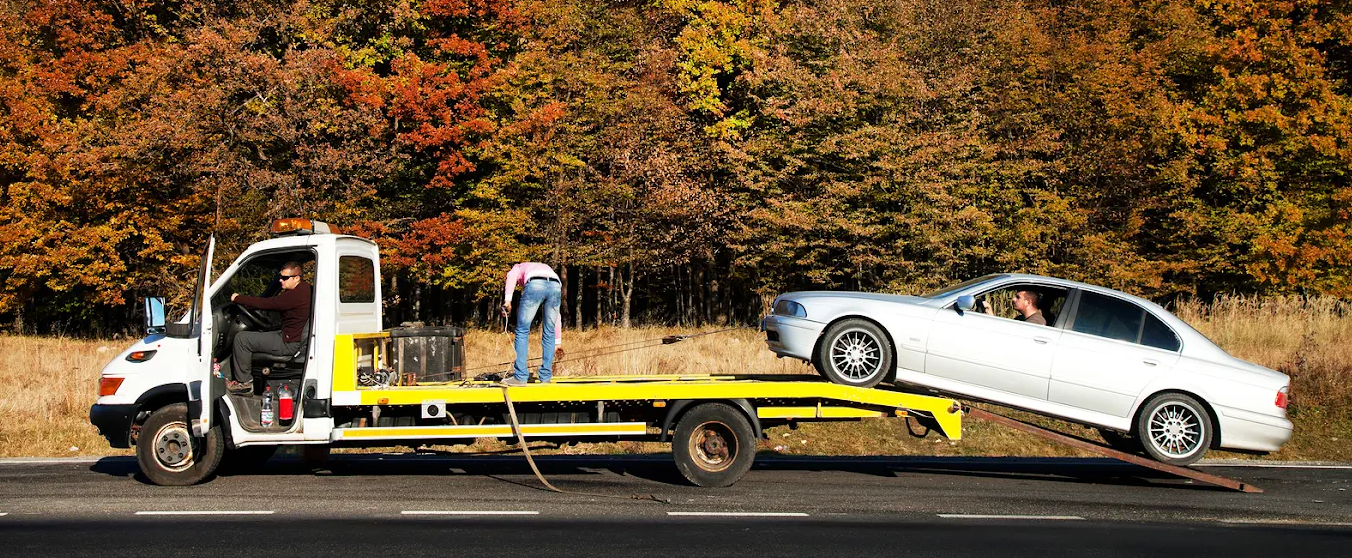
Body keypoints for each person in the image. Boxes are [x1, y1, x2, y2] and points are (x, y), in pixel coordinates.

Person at [227, 262, 312, 394]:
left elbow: (266, 303)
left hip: (288, 343)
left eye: (285, 278)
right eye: (280, 277)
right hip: (290, 337)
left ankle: (244, 384)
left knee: (241, 339)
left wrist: (238, 298)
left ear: (297, 278)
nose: (280, 280)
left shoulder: (294, 295)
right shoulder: (306, 289)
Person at [500, 262, 563, 386]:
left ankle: (520, 377)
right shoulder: (546, 267)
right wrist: (557, 341)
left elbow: (511, 276)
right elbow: (557, 316)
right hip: (556, 285)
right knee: (549, 331)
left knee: (522, 330)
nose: (519, 285)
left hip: (535, 284)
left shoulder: (517, 267)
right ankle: (545, 378)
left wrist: (508, 300)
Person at [980, 289, 1047, 325]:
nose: (1013, 299)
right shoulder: (1021, 318)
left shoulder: (1035, 321)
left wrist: (992, 319)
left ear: (1028, 302)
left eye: (1018, 297)